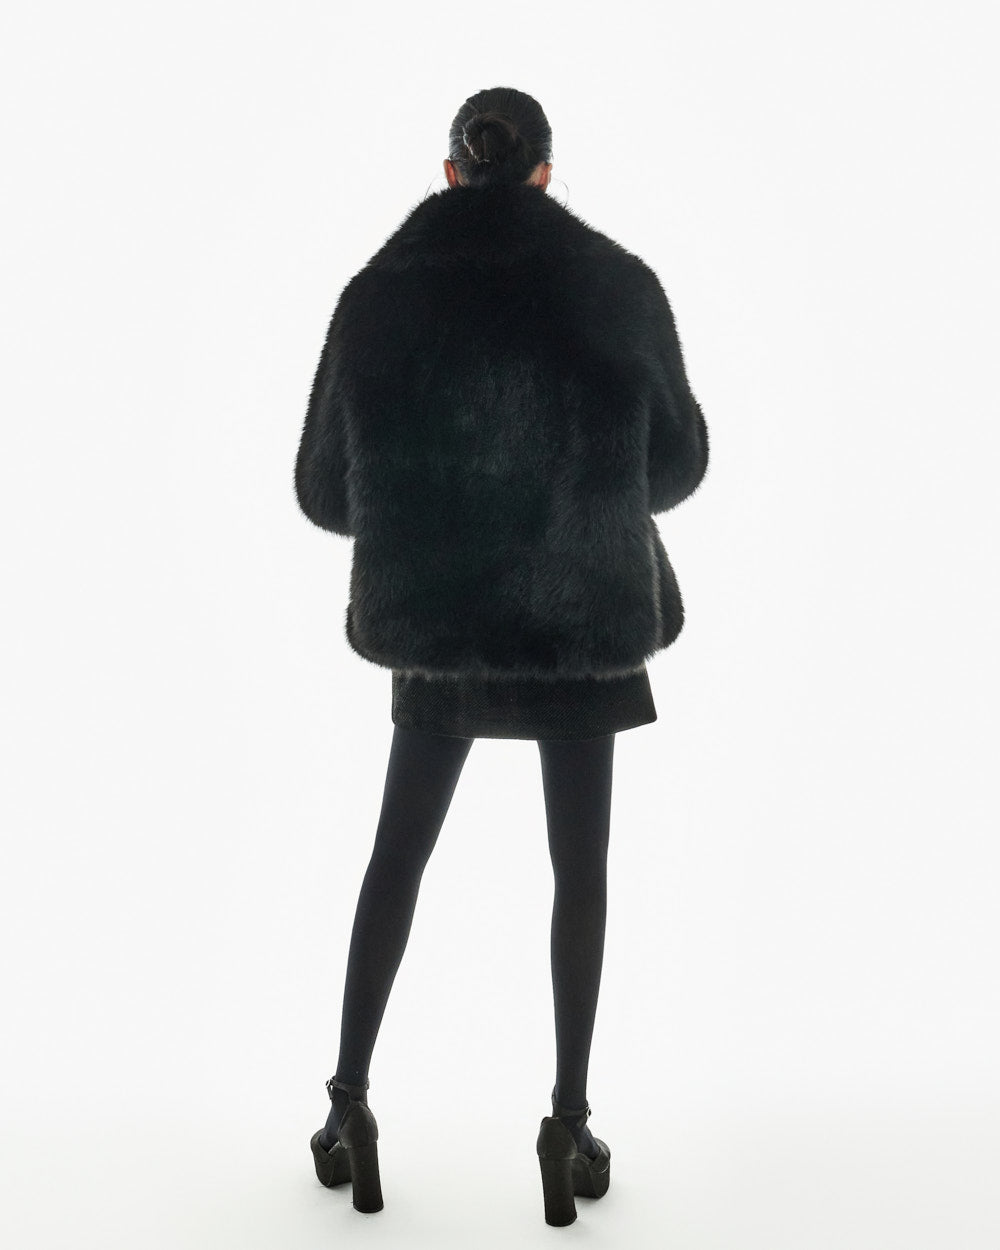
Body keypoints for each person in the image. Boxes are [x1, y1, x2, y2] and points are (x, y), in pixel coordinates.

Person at [294, 85, 709, 1225]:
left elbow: (325, 494)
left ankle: (347, 1106)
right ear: (543, 173)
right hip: (584, 621)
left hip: (440, 625)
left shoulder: (379, 295)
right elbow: (676, 469)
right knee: (581, 870)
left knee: (396, 858)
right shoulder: (617, 287)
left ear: (451, 172)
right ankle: (568, 1124)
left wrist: (433, 491)